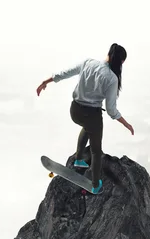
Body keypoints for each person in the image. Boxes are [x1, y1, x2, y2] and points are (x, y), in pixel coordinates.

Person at [36, 43, 134, 194]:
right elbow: (111, 110)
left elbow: (64, 73)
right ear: (121, 62)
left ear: (108, 54)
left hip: (75, 111)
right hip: (92, 115)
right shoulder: (112, 79)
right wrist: (126, 124)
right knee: (96, 151)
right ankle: (95, 185)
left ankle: (79, 159)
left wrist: (45, 82)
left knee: (88, 128)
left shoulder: (88, 62)